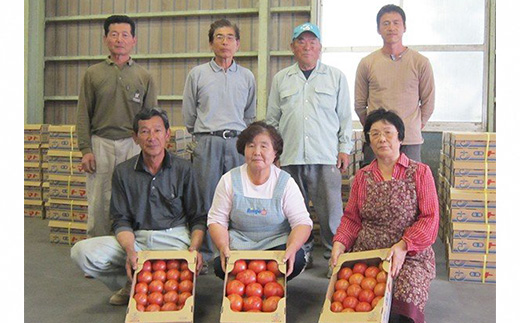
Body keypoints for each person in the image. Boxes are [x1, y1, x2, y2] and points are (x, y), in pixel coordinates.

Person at [71, 108, 206, 306]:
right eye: (144, 131)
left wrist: (194, 249)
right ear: (135, 137)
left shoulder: (184, 169)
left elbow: (198, 218)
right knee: (82, 252)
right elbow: (121, 220)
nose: (151, 137)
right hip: (137, 239)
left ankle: (150, 284)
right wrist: (130, 251)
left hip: (174, 240)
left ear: (167, 135)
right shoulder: (123, 172)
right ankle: (132, 284)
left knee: (172, 292)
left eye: (157, 130)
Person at [330, 108, 438, 323]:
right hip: (367, 252)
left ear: (400, 137)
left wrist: (404, 245)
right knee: (353, 300)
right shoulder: (362, 176)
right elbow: (352, 218)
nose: (382, 139)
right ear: (369, 140)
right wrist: (339, 244)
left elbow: (430, 218)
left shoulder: (420, 172)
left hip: (410, 254)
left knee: (404, 301)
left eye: (388, 132)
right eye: (375, 133)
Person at [266, 22, 353, 271]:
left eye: (312, 42)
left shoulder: (335, 77)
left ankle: (333, 258)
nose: (307, 46)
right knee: (294, 212)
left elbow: (345, 117)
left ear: (320, 48)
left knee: (331, 215)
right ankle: (301, 256)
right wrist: (274, 153)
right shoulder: (282, 79)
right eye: (301, 41)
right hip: (290, 157)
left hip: (326, 157)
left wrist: (344, 148)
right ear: (292, 47)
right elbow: (272, 119)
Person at [76, 15, 158, 237]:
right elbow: (83, 114)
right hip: (100, 143)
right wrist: (86, 150)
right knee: (99, 200)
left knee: (134, 197)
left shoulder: (144, 75)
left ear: (134, 40)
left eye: (125, 35)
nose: (119, 39)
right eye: (114, 34)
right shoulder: (93, 74)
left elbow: (152, 119)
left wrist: (150, 150)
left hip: (133, 146)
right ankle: (97, 253)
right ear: (105, 39)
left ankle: (131, 250)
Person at [182, 18, 256, 262]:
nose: (225, 43)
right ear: (211, 43)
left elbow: (249, 114)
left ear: (238, 44)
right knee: (206, 198)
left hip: (236, 143)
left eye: (230, 38)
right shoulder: (198, 74)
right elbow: (189, 114)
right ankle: (203, 254)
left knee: (236, 196)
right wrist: (204, 135)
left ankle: (231, 250)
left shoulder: (246, 77)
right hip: (207, 142)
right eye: (219, 37)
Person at [208, 121, 312, 280]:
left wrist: (292, 248)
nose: (257, 152)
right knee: (219, 265)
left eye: (264, 146)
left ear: (275, 152)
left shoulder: (285, 182)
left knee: (296, 259)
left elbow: (302, 222)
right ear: (243, 149)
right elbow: (217, 219)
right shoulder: (229, 180)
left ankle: (269, 286)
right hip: (240, 244)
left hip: (276, 245)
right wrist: (223, 247)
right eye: (251, 146)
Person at [355, 4, 435, 164]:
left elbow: (428, 102)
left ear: (404, 27)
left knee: (410, 186)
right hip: (378, 142)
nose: (391, 27)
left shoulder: (420, 62)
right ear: (378, 29)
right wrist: (375, 130)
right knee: (375, 187)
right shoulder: (367, 63)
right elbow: (359, 105)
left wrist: (412, 127)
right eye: (386, 23)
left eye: (396, 23)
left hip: (410, 141)